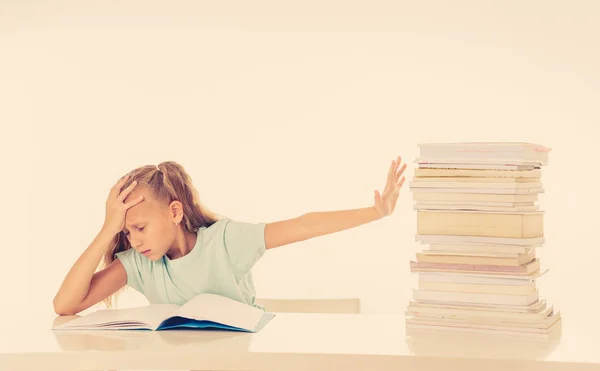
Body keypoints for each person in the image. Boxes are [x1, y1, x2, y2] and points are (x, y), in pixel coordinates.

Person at [53, 157, 407, 316]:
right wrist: (107, 229)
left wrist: (374, 213)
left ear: (174, 212)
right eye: (126, 232)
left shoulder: (224, 242)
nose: (134, 240)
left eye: (140, 228)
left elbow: (301, 225)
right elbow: (65, 305)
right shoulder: (138, 264)